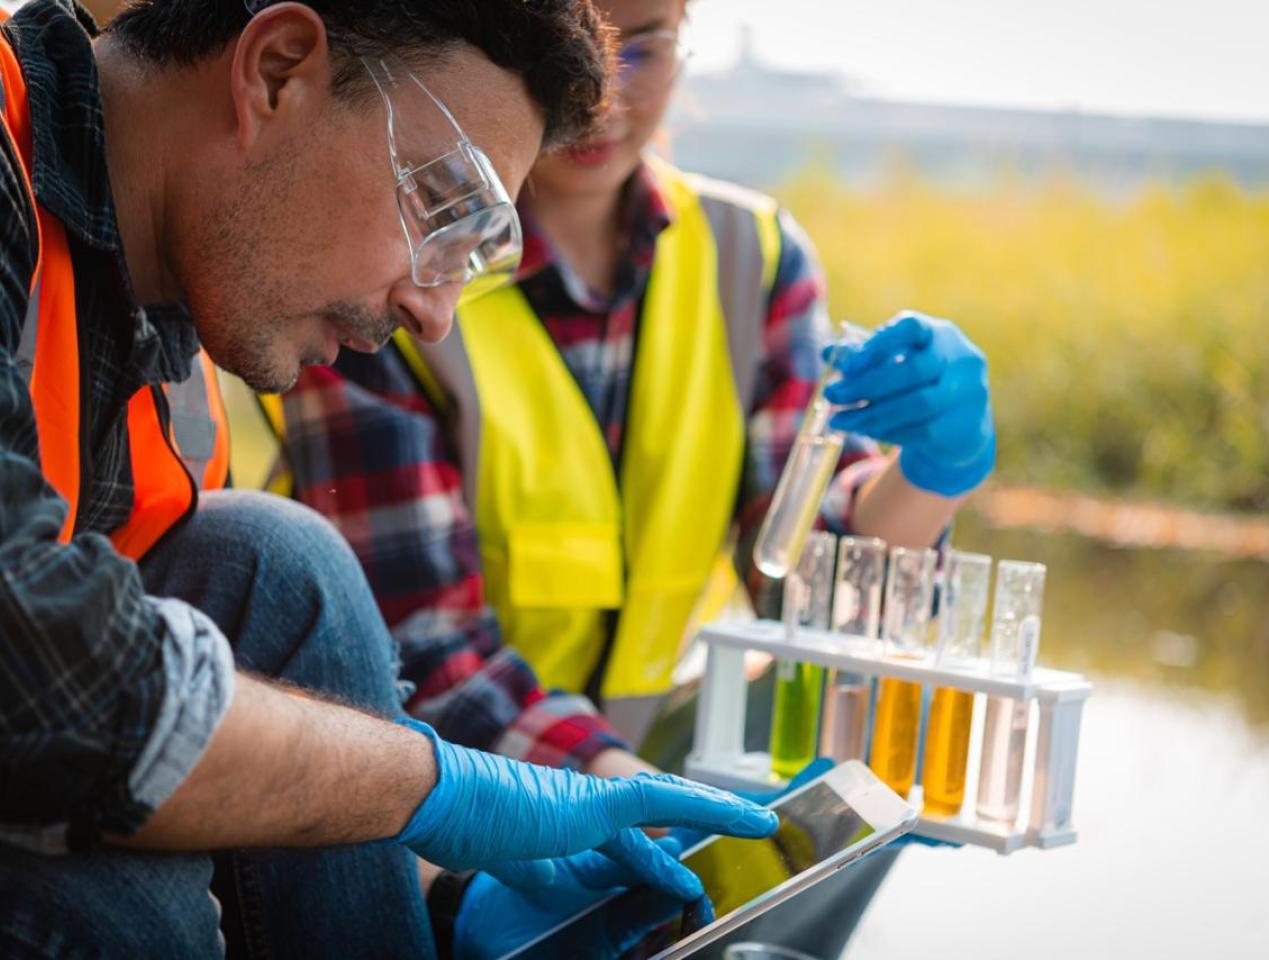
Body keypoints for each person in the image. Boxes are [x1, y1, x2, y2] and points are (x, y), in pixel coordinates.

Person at [0, 1, 783, 956]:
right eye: (439, 203)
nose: (436, 312)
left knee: (278, 564)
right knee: (121, 911)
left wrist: (443, 900)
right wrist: (433, 785)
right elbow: (41, 683)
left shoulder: (171, 344)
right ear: (278, 72)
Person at [281, 0, 994, 765]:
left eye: (643, 50)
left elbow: (806, 589)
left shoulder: (750, 259)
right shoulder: (388, 265)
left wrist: (930, 473)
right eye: (568, 49)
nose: (603, 96)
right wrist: (623, 800)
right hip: (424, 802)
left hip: (627, 778)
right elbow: (417, 657)